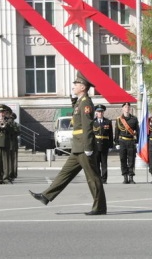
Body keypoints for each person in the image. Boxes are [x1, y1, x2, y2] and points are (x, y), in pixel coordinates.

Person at [29, 73, 107, 215]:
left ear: (83, 87)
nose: (74, 86)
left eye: (76, 84)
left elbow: (87, 126)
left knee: (92, 178)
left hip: (84, 146)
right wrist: (73, 100)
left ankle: (100, 207)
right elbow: (77, 117)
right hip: (78, 146)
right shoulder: (80, 102)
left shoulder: (86, 103)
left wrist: (89, 147)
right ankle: (46, 196)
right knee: (65, 173)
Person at [114, 102, 139, 184]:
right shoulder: (119, 119)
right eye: (125, 107)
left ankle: (131, 177)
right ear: (123, 109)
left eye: (128, 107)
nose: (127, 108)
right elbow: (117, 131)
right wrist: (116, 142)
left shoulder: (134, 119)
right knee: (123, 159)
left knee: (131, 160)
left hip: (131, 141)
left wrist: (137, 141)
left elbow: (137, 130)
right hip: (122, 141)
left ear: (130, 108)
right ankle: (125, 177)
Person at [92, 104, 113, 184]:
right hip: (96, 146)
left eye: (101, 112)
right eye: (98, 112)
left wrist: (111, 145)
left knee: (104, 163)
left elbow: (110, 134)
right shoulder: (93, 122)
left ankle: (104, 179)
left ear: (103, 113)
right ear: (96, 113)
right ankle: (98, 179)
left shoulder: (107, 122)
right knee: (96, 163)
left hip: (104, 145)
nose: (100, 113)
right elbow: (91, 135)